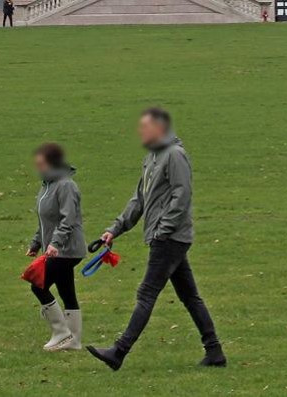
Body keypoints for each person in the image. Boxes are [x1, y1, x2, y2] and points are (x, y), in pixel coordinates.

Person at [86, 107, 227, 370]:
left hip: (170, 237)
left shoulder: (174, 155)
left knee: (147, 293)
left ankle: (119, 351)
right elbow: (139, 199)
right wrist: (114, 229)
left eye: (145, 127)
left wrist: (164, 228)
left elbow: (182, 195)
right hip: (164, 236)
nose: (141, 132)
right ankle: (215, 351)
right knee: (189, 296)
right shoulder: (152, 157)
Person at [26, 143, 87, 351]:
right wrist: (36, 243)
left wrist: (55, 243)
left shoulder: (66, 185)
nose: (38, 167)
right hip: (55, 248)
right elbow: (45, 221)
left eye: (41, 163)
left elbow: (67, 219)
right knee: (66, 290)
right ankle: (74, 340)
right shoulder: (46, 186)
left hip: (67, 249)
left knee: (38, 285)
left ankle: (61, 332)